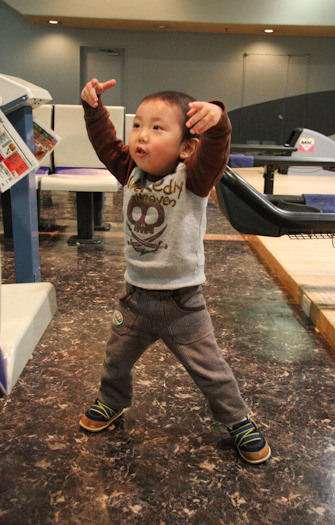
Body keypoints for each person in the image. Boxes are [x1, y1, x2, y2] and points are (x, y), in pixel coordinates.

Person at [79, 78, 271, 465]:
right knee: (115, 360)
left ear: (187, 147)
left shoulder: (194, 179)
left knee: (211, 371)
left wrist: (218, 121)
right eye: (137, 125)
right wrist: (94, 110)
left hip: (183, 304)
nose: (141, 137)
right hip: (135, 299)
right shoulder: (129, 171)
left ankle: (238, 420)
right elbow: (105, 145)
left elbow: (216, 151)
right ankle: (112, 402)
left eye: (156, 127)